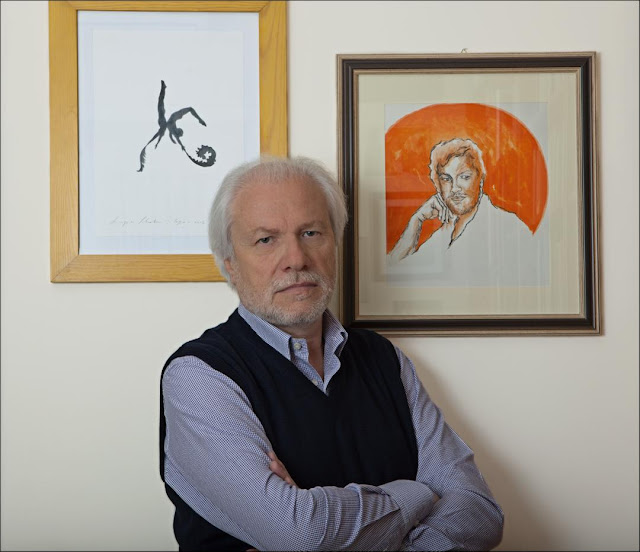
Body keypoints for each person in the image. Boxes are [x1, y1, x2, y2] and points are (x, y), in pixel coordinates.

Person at [159, 156, 504, 551]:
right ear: (230, 265)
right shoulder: (200, 376)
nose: (296, 259)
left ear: (335, 244)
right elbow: (300, 534)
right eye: (266, 240)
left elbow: (481, 514)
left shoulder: (384, 359)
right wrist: (418, 494)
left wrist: (332, 522)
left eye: (311, 233)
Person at [388, 139, 548, 287]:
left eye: (464, 177)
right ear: (438, 185)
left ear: (480, 180)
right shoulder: (444, 232)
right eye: (446, 179)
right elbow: (390, 273)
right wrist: (417, 220)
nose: (454, 188)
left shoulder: (510, 227)